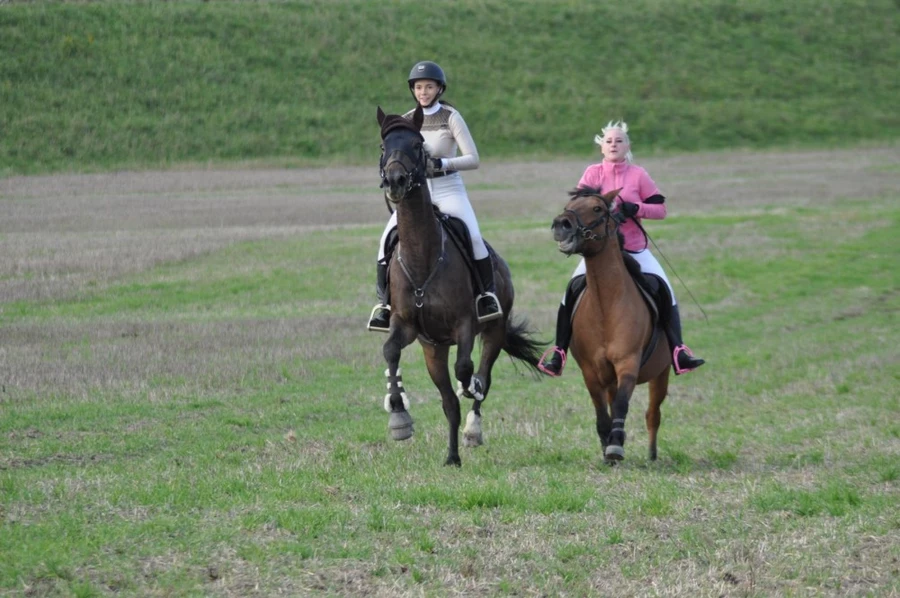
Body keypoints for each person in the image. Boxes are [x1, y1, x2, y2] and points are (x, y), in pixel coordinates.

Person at [539, 120, 705, 376]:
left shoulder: (639, 175)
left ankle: (678, 351)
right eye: (608, 141)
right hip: (600, 253)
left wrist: (636, 208)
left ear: (627, 146)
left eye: (619, 141)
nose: (613, 144)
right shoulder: (592, 173)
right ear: (602, 147)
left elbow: (660, 210)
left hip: (635, 249)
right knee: (570, 292)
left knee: (665, 289)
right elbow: (578, 208)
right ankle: (559, 352)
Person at [367, 60, 502, 332]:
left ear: (439, 89)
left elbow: (473, 158)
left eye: (429, 87)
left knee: (474, 237)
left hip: (448, 189)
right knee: (385, 242)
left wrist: (442, 164)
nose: (423, 92)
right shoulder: (406, 120)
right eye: (418, 87)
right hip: (417, 194)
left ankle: (485, 297)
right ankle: (384, 305)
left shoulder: (451, 117)